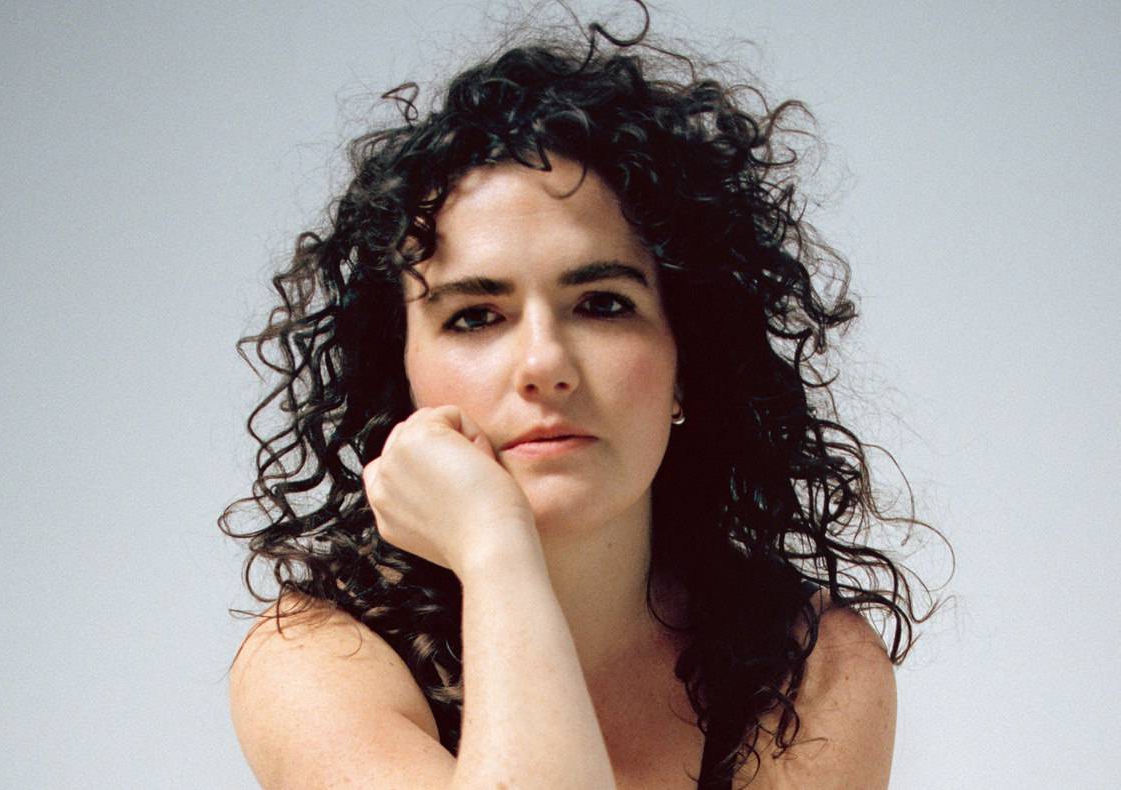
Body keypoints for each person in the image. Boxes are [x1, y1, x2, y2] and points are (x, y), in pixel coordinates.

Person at [220, 5, 942, 788]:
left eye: (602, 304)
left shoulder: (811, 663)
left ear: (688, 360)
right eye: (475, 316)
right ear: (400, 377)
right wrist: (495, 550)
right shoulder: (317, 660)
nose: (544, 364)